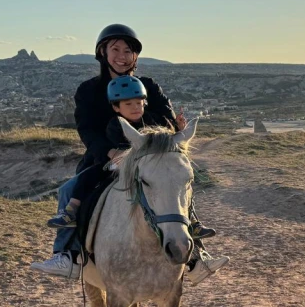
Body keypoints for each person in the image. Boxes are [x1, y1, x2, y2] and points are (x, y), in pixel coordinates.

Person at [30, 24, 226, 282]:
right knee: (70, 189)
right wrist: (110, 153)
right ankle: (67, 255)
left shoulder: (149, 86)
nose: (122, 56)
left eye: (128, 50)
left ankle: (196, 256)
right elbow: (87, 131)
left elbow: (166, 121)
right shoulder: (88, 91)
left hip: (150, 158)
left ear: (135, 56)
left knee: (174, 186)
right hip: (107, 158)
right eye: (116, 49)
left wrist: (161, 124)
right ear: (103, 52)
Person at [45, 76, 184, 228]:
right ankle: (71, 210)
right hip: (120, 163)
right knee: (89, 176)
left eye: (139, 103)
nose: (135, 107)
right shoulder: (115, 125)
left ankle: (191, 220)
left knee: (178, 180)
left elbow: (165, 136)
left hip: (150, 163)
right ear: (116, 108)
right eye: (128, 104)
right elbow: (120, 148)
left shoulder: (152, 119)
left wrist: (177, 127)